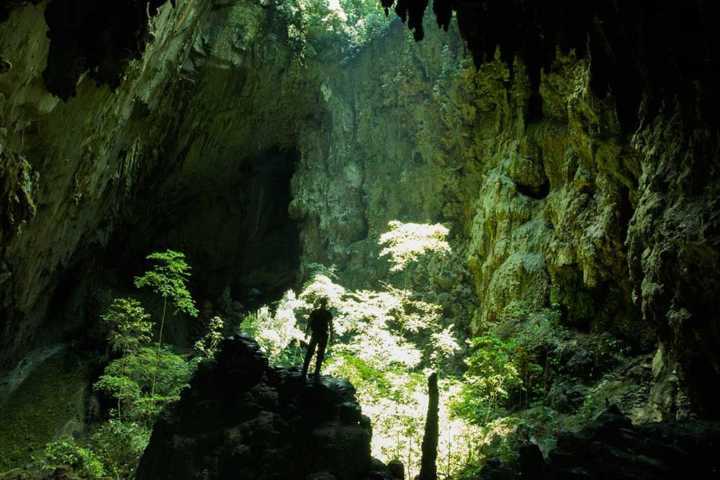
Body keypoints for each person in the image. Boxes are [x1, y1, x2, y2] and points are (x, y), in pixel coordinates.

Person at [301, 297, 333, 379]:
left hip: (315, 334)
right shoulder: (328, 313)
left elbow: (310, 322)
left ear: (320, 303)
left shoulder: (315, 312)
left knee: (310, 352)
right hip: (323, 335)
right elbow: (331, 326)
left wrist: (306, 332)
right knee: (320, 353)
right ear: (326, 304)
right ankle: (316, 373)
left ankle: (304, 372)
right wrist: (332, 336)